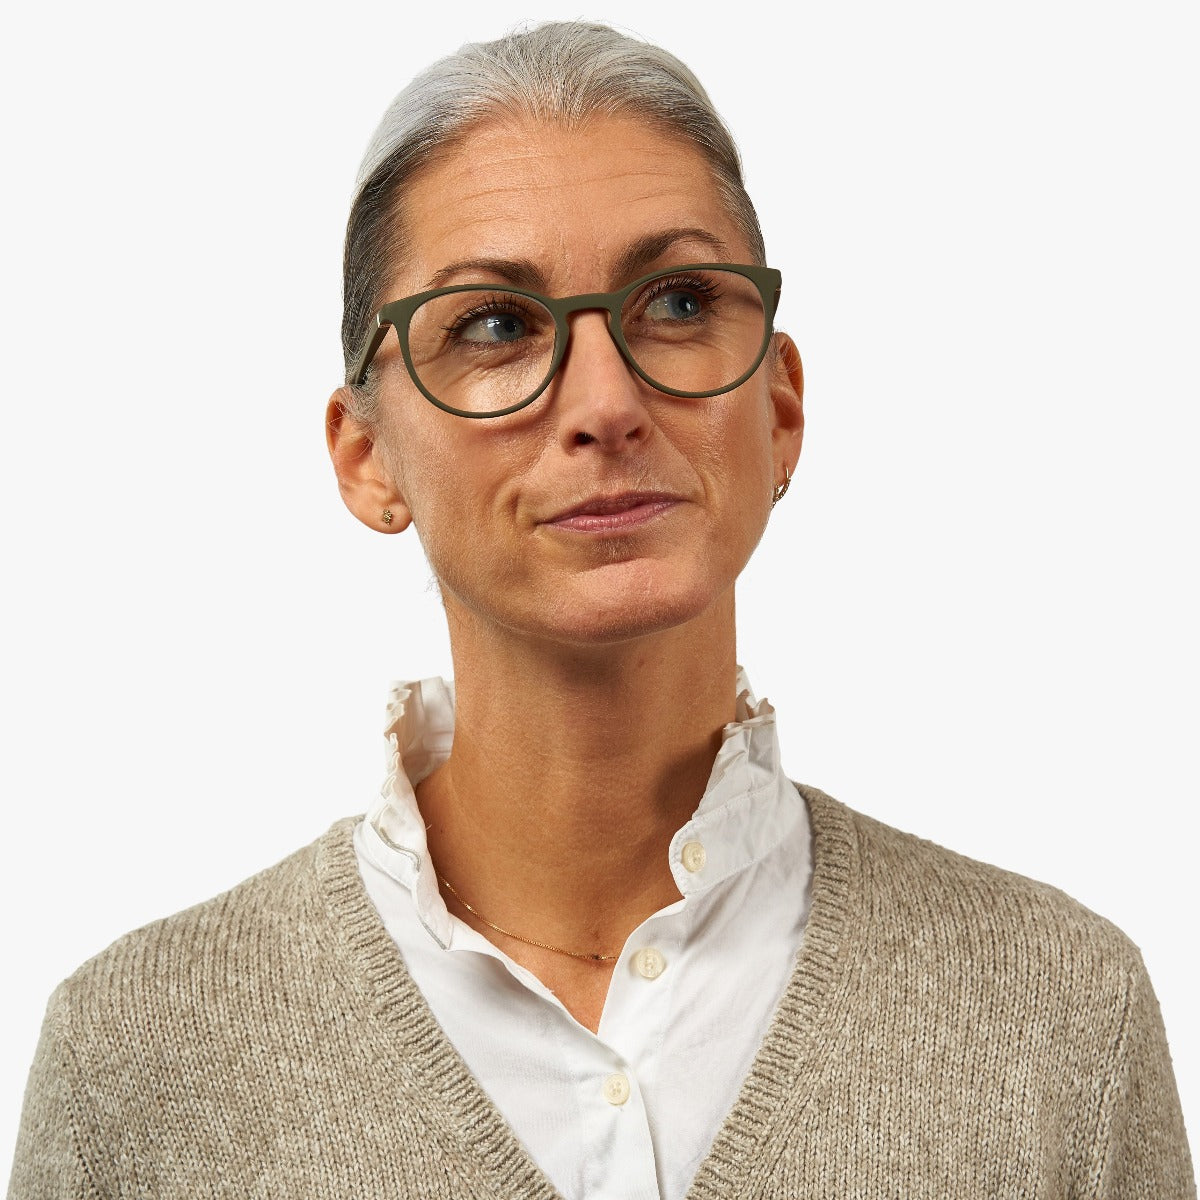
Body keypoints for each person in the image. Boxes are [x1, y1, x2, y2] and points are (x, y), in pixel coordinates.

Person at [8, 20, 1194, 1200]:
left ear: (780, 410)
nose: (607, 404)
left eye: (677, 303)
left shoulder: (1058, 1021)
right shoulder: (137, 1064)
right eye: (494, 325)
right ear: (367, 457)